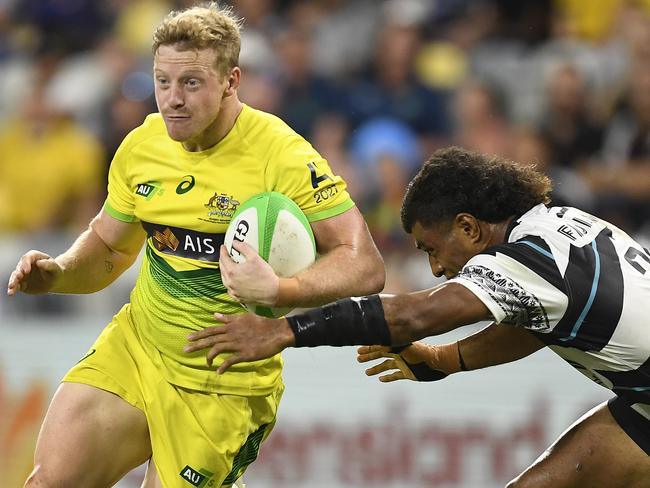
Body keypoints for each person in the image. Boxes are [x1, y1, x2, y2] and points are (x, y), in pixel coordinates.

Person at [6, 4, 385, 487]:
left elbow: (365, 265)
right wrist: (57, 273)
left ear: (231, 81)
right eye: (162, 82)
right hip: (138, 347)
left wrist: (284, 291)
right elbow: (108, 247)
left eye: (191, 83)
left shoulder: (281, 155)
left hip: (223, 381)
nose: (172, 100)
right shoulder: (143, 145)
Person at [189, 146, 650, 487]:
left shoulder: (527, 259)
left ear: (468, 227)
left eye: (432, 248)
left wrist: (285, 330)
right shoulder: (557, 224)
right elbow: (537, 325)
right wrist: (445, 360)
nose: (435, 267)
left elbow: (416, 315)